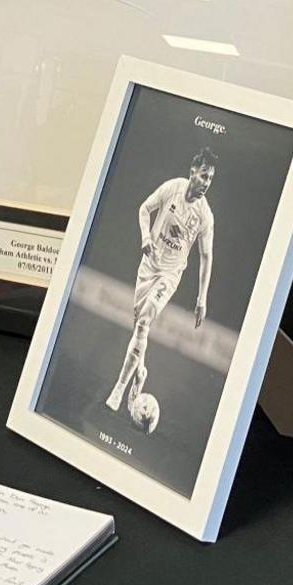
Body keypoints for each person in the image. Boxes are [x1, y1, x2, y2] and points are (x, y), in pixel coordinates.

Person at [105, 148, 216, 416]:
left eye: (210, 178)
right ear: (193, 172)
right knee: (138, 328)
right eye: (203, 176)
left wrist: (202, 299)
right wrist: (145, 237)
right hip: (148, 267)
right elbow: (145, 208)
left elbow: (206, 257)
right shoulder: (173, 188)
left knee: (144, 320)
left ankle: (119, 389)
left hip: (170, 275)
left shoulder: (204, 216)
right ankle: (140, 373)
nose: (206, 183)